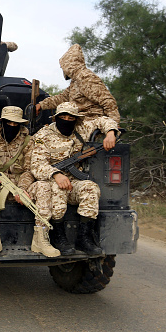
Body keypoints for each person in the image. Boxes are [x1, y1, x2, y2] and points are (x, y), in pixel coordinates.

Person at [31, 102, 119, 255]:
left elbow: (102, 120)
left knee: (90, 188)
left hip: (74, 182)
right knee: (59, 189)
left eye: (70, 118)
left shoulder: (81, 129)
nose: (66, 120)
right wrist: (55, 174)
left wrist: (111, 132)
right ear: (56, 118)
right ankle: (58, 236)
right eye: (62, 117)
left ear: (76, 119)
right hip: (52, 183)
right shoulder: (43, 135)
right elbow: (37, 164)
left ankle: (84, 238)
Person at [0, 106, 59, 258]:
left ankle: (40, 238)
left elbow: (30, 169)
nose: (13, 127)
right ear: (2, 122)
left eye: (16, 124)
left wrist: (21, 189)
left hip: (21, 185)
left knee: (43, 185)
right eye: (9, 123)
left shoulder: (28, 141)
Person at [35, 44, 121, 125]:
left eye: (63, 67)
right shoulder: (76, 80)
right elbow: (63, 97)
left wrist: (113, 126)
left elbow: (108, 101)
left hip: (89, 122)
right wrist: (42, 105)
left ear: (68, 65)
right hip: (78, 121)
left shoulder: (86, 78)